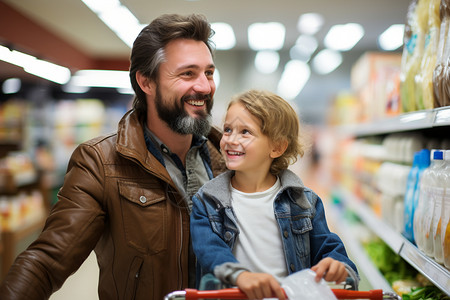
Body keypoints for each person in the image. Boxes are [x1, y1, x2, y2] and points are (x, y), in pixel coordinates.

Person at [0, 13, 227, 300]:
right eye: (187, 73)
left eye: (208, 72)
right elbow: (47, 261)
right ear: (146, 82)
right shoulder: (100, 162)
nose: (205, 87)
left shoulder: (227, 156)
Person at [190, 89, 359, 300]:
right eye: (227, 129)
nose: (231, 139)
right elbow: (209, 251)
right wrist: (240, 275)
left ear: (277, 147)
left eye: (245, 132)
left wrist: (336, 264)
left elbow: (328, 247)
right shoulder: (208, 202)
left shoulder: (304, 203)